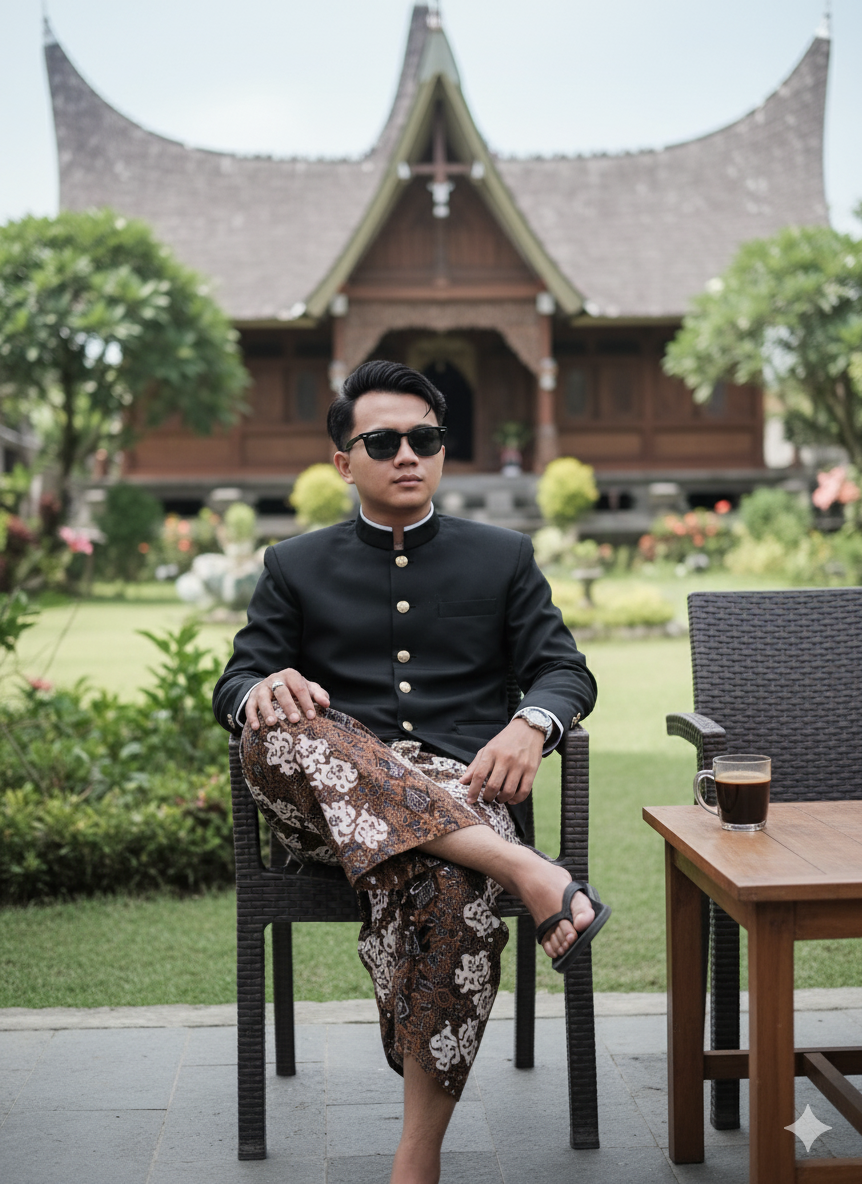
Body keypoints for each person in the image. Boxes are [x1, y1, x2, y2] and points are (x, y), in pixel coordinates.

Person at [213, 360, 605, 1184]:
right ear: (342, 461)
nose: (406, 455)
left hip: (464, 785)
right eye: (383, 441)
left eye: (424, 439)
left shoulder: (502, 557)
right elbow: (235, 681)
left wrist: (531, 725)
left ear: (441, 451)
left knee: (453, 884)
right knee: (288, 729)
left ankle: (416, 1156)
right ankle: (525, 870)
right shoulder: (294, 564)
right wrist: (262, 689)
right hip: (328, 803)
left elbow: (565, 672)